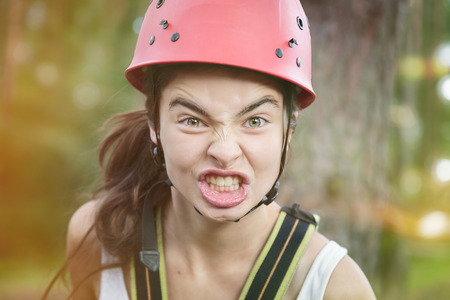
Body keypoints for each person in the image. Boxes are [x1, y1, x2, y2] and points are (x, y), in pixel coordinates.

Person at [64, 0, 376, 299]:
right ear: (154, 125)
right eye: (192, 120)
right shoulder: (97, 237)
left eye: (254, 120)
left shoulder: (333, 287)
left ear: (289, 128)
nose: (225, 153)